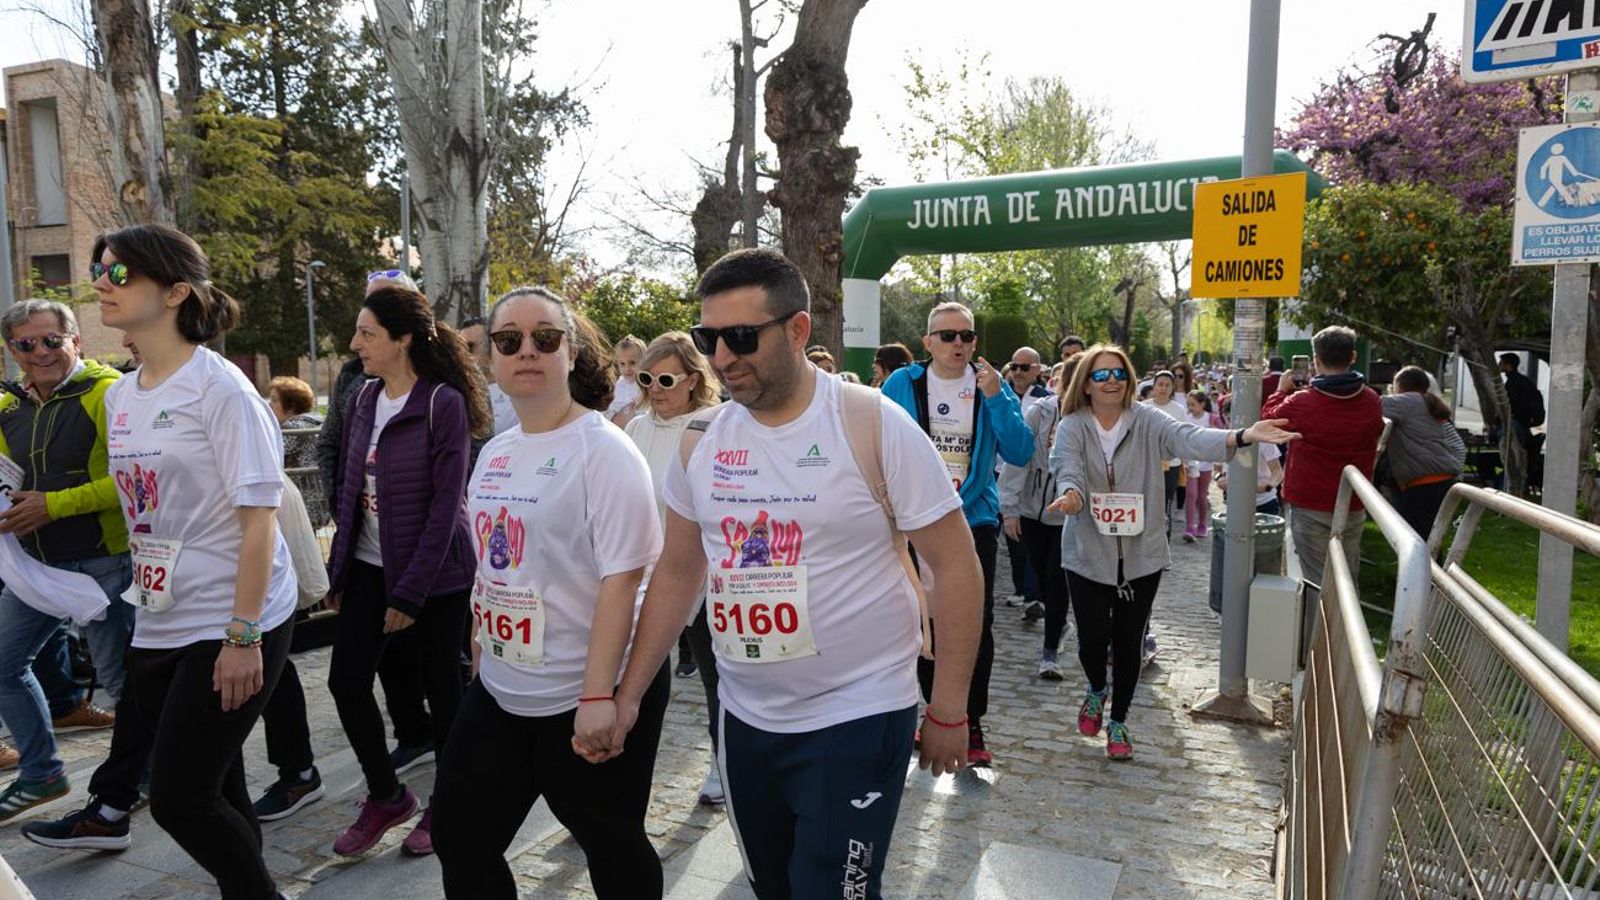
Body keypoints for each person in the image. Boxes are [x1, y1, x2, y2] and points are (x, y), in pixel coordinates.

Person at [607, 248, 983, 900]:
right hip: (745, 719)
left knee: (832, 890)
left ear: (799, 330)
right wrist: (631, 693)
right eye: (710, 337)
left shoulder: (871, 423)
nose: (723, 356)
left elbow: (954, 565)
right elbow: (676, 573)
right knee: (775, 888)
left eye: (743, 336)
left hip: (858, 713)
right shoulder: (702, 438)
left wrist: (950, 707)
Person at [431, 286, 669, 899]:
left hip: (582, 690)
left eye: (546, 337)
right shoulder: (497, 454)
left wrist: (599, 696)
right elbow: (494, 563)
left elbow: (625, 580)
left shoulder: (604, 452)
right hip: (503, 688)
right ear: (492, 359)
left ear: (571, 352)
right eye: (509, 340)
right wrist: (482, 640)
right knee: (461, 838)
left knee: (609, 841)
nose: (526, 350)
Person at [94, 223, 299, 896]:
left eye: (120, 273)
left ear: (177, 291)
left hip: (235, 619)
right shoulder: (121, 395)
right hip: (160, 615)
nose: (102, 281)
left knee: (181, 799)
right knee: (217, 790)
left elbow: (260, 521)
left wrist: (243, 636)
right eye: (101, 269)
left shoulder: (223, 391)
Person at [1048, 344, 1297, 760]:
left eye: (1119, 374)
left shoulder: (1146, 419)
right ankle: (1096, 689)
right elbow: (1066, 467)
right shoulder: (1073, 425)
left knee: (1129, 641)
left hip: (1142, 552)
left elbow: (1189, 437)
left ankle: (1120, 722)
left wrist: (1242, 435)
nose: (1112, 382)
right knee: (1092, 640)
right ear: (1085, 385)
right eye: (1101, 375)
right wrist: (1071, 496)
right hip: (1087, 549)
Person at [324, 284, 486, 857]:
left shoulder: (443, 402)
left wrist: (411, 593)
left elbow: (448, 507)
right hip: (370, 566)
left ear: (403, 340)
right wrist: (340, 571)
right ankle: (386, 795)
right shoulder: (364, 396)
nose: (355, 343)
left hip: (436, 576)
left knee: (444, 691)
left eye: (367, 333)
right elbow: (349, 487)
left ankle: (452, 802)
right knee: (345, 681)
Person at [881, 302, 1033, 767]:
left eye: (967, 336)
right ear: (928, 343)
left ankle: (970, 717)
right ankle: (924, 710)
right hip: (909, 519)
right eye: (947, 336)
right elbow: (879, 441)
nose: (959, 345)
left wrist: (996, 398)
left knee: (973, 621)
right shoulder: (902, 383)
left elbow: (1021, 450)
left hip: (972, 519)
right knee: (916, 616)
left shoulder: (992, 386)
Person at [0, 299, 129, 821]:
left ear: (76, 340)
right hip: (37, 570)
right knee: (4, 665)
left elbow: (132, 479)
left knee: (126, 685)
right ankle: (43, 774)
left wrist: (54, 505)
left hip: (107, 562)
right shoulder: (9, 406)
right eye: (26, 345)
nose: (41, 353)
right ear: (12, 351)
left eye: (52, 340)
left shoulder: (108, 391)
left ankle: (139, 779)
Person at [623, 332, 726, 805]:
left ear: (692, 379)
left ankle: (722, 767)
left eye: (665, 378)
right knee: (633, 679)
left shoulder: (711, 426)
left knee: (716, 681)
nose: (655, 388)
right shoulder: (636, 429)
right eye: (646, 378)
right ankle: (621, 775)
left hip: (701, 577)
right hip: (641, 577)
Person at [1261, 325, 1385, 652]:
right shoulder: (1371, 400)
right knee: (1347, 575)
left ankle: (1320, 653)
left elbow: (1269, 420)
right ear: (1353, 357)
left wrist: (1280, 389)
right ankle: (1349, 647)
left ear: (1315, 360)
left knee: (1317, 580)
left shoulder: (1303, 402)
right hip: (1352, 504)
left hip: (1309, 502)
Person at [1001, 352, 1081, 681]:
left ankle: (1049, 653)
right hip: (1033, 508)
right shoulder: (1040, 411)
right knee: (1043, 578)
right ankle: (1060, 623)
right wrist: (1010, 509)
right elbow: (1018, 459)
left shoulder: (1093, 419)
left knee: (1057, 577)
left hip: (1069, 514)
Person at [1382, 366, 1466, 538]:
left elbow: (1370, 404)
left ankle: (1424, 566)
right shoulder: (1428, 404)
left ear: (1399, 385)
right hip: (1442, 482)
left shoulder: (1408, 401)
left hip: (1423, 486)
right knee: (1431, 541)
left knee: (1416, 541)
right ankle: (1434, 565)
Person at [1144, 370, 1188, 539]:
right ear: (1153, 386)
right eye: (1160, 384)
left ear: (1172, 388)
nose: (1163, 388)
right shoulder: (1144, 407)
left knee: (1166, 503)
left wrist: (1189, 463)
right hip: (1148, 462)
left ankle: (1165, 544)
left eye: (1167, 385)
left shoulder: (1178, 410)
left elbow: (1183, 436)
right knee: (1148, 503)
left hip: (1172, 464)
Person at [460, 316, 518, 435]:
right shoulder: (455, 394)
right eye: (459, 349)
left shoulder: (519, 391)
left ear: (493, 347)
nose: (463, 355)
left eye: (470, 347)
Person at [266, 376, 323, 472]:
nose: (269, 405)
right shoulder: (315, 421)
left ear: (291, 406)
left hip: (301, 486)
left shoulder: (293, 427)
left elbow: (267, 454)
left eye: (274, 400)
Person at [1181, 390, 1217, 542]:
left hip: (1206, 462)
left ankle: (1202, 524)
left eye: (1193, 404)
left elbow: (1218, 438)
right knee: (1191, 495)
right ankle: (1189, 527)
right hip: (1191, 462)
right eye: (1188, 404)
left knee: (1202, 497)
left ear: (1202, 404)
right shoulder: (1185, 419)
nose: (1190, 407)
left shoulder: (1211, 418)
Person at [1500, 352, 1545, 455]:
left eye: (1501, 363)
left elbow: (1512, 404)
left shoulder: (1515, 382)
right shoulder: (1520, 380)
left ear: (1508, 365)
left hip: (1518, 423)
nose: (1499, 365)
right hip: (1522, 423)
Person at [607, 335, 646, 427]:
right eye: (622, 364)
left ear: (644, 361)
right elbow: (609, 410)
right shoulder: (618, 386)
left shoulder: (647, 385)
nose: (627, 368)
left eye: (632, 363)